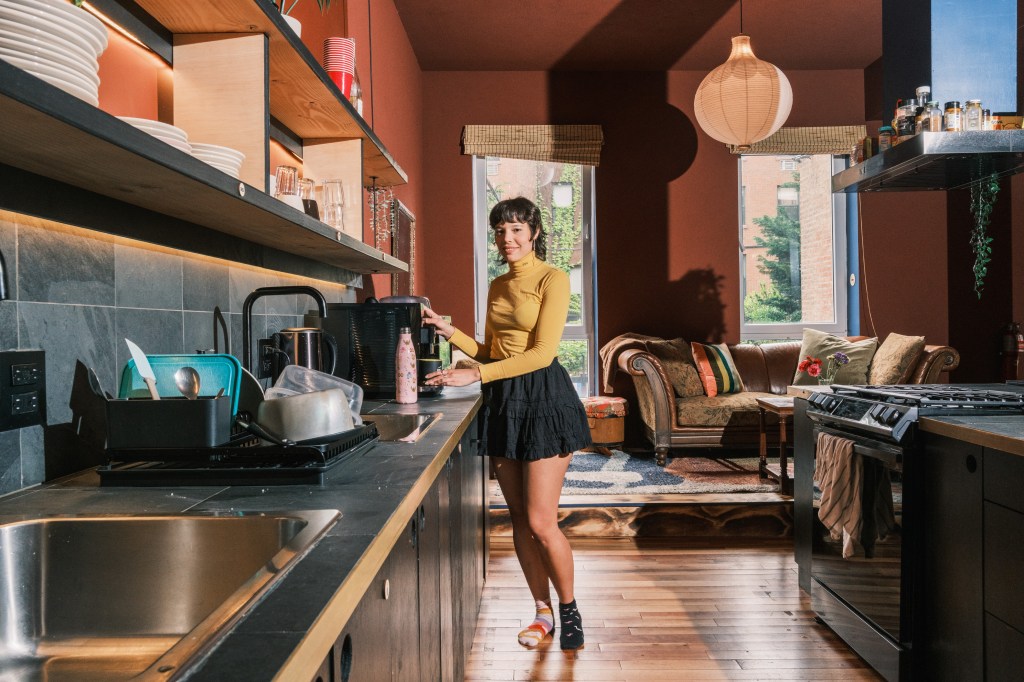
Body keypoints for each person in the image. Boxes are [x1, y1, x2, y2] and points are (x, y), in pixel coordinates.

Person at [421, 196, 591, 651]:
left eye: (516, 229)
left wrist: (475, 373)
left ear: (534, 233)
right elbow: (494, 351)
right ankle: (542, 613)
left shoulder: (553, 279)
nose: (507, 238)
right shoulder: (498, 285)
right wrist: (450, 333)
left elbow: (541, 354)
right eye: (500, 230)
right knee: (518, 517)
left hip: (543, 398)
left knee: (540, 521)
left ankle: (570, 608)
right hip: (504, 399)